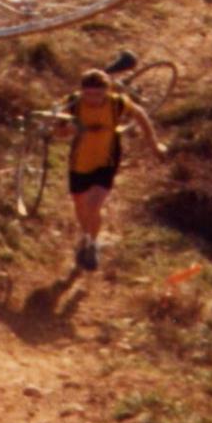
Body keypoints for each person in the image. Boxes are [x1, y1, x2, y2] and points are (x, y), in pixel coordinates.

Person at [53, 69, 167, 272]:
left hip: (106, 161)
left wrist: (154, 145)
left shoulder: (117, 103)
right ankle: (86, 237)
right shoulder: (72, 103)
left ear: (106, 91)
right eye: (88, 94)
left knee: (93, 205)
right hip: (79, 164)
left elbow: (140, 115)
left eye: (98, 94)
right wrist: (70, 130)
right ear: (81, 91)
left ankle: (92, 244)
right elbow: (56, 132)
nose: (93, 99)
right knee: (81, 209)